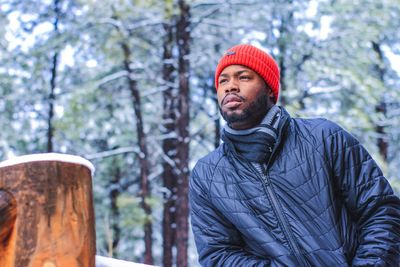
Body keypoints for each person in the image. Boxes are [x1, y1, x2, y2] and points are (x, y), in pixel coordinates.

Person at [189, 44, 400, 266]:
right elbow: (218, 255)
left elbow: (381, 212)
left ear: (269, 89)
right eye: (223, 80)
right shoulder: (207, 175)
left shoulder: (323, 137)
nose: (230, 86)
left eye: (243, 77)